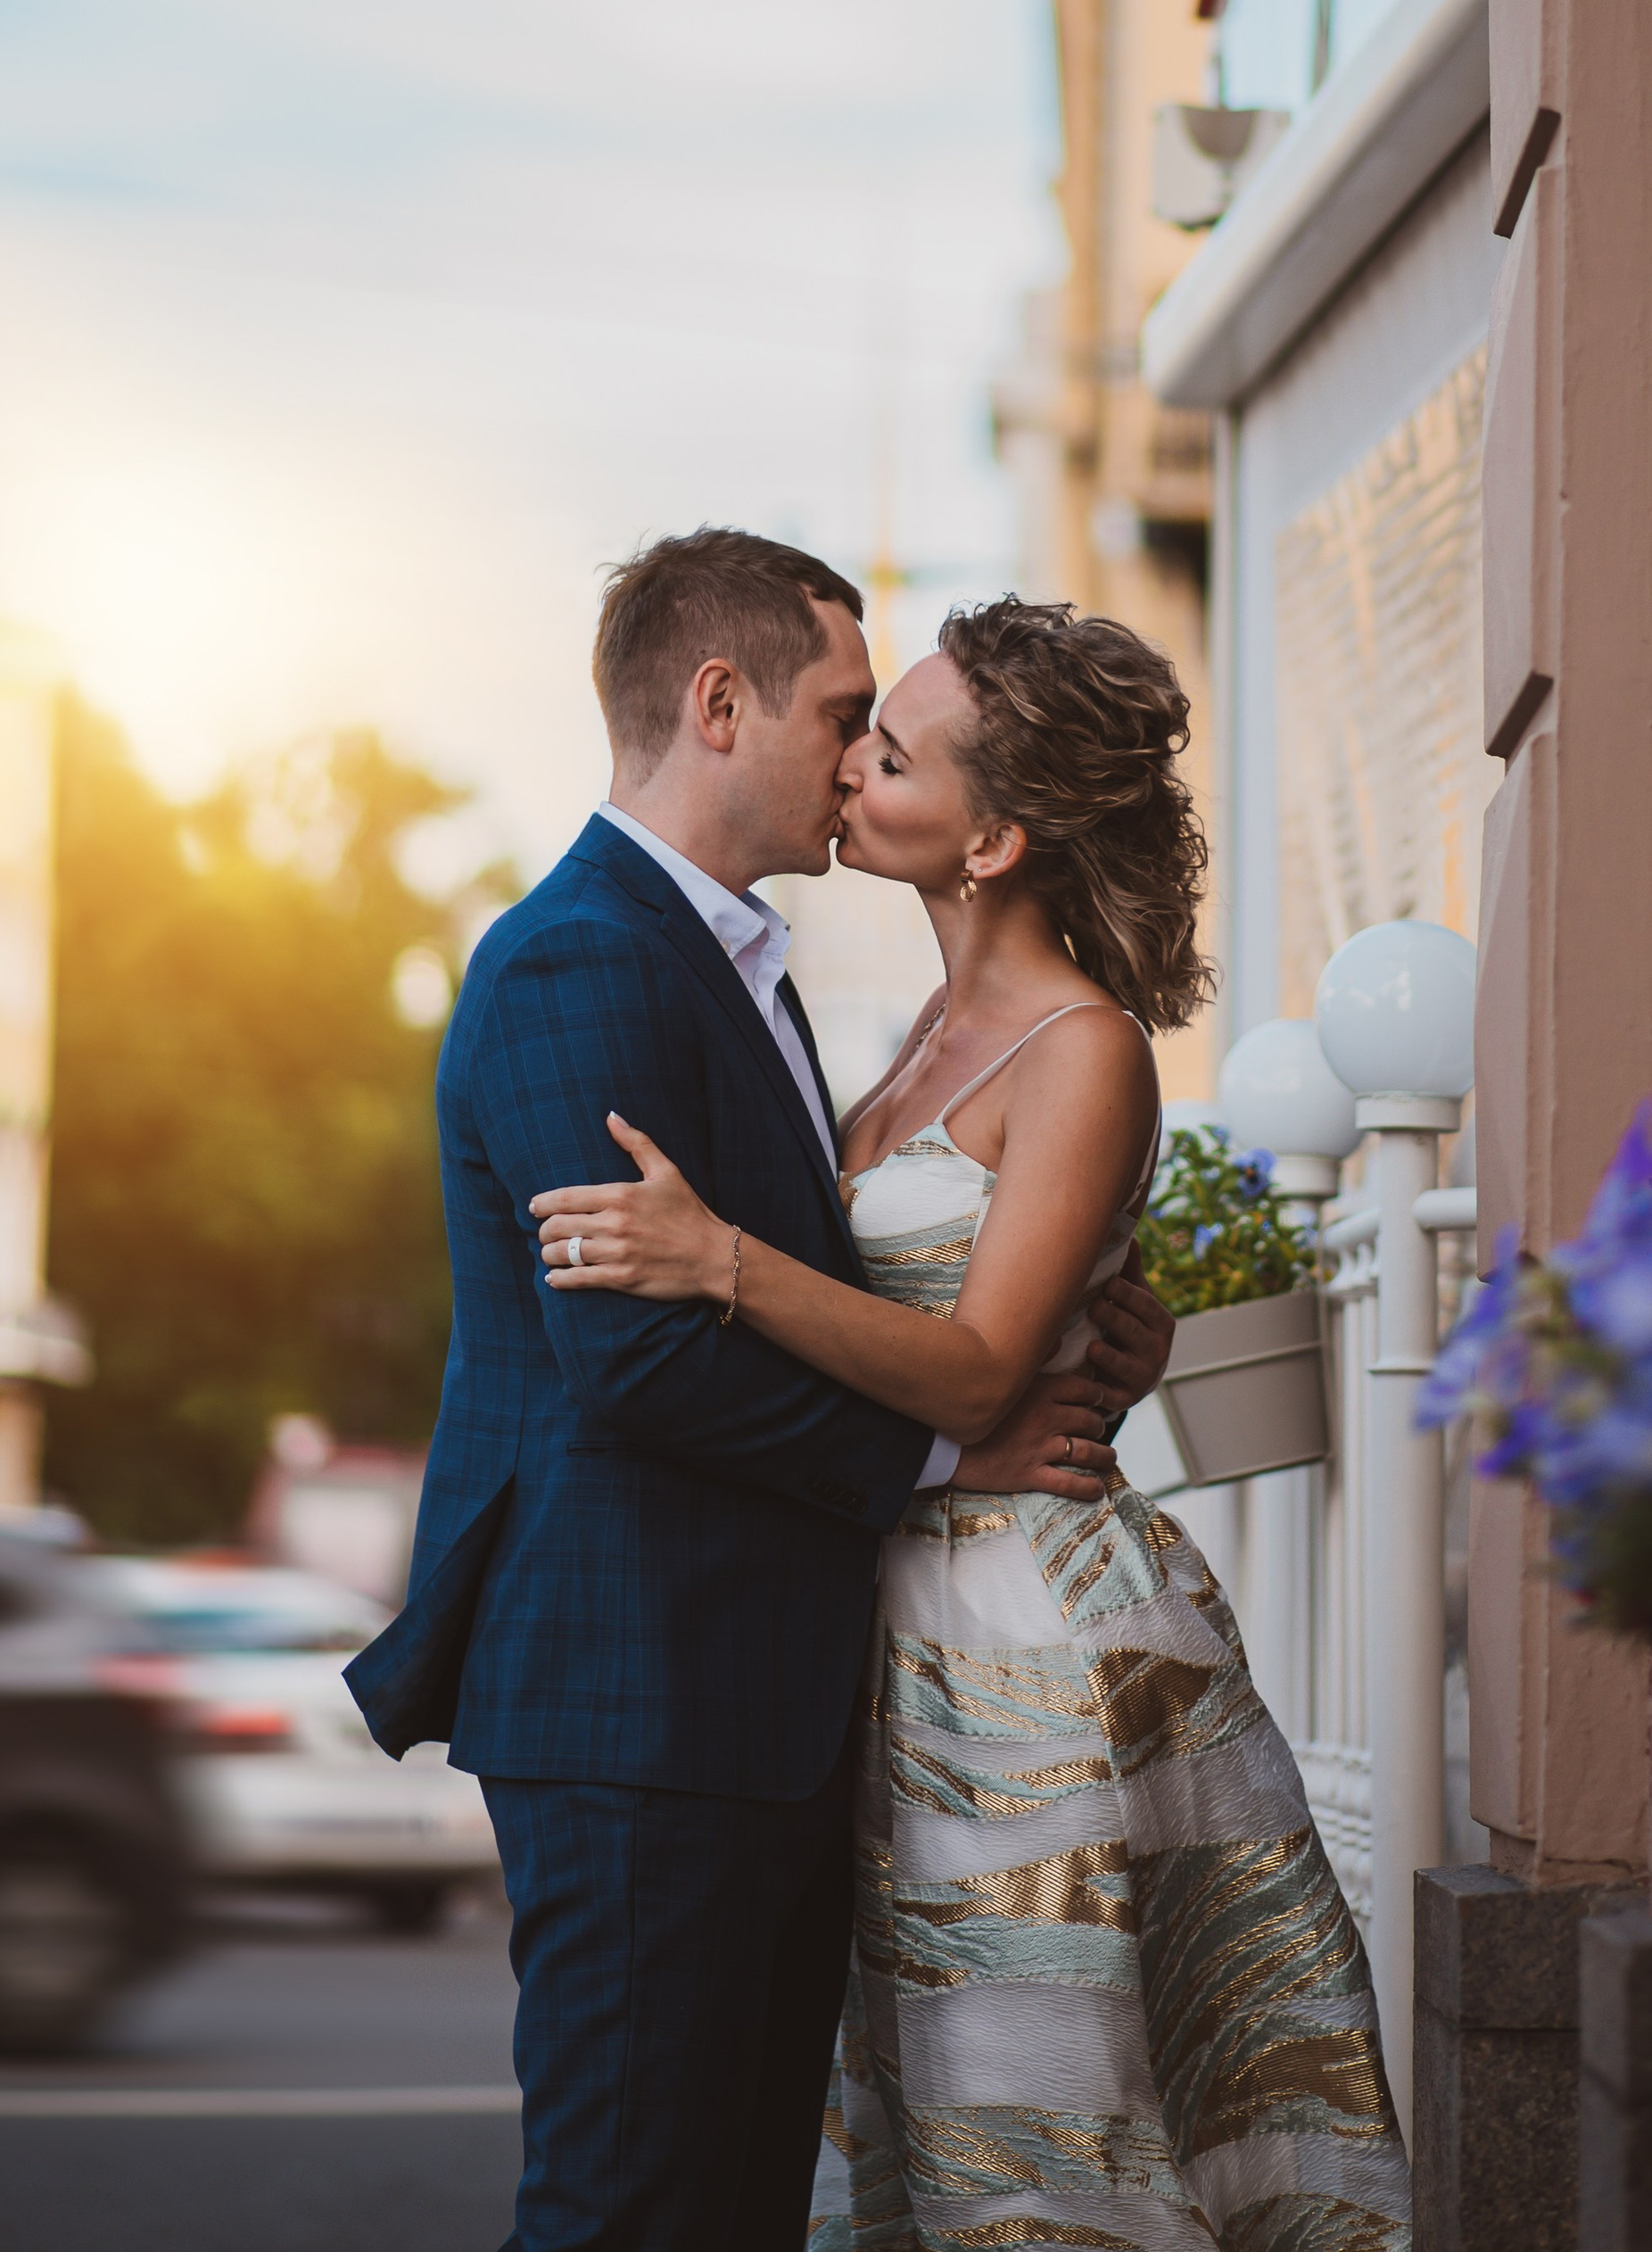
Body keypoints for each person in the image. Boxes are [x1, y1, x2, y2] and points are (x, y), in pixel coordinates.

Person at [532, 597, 1413, 2246]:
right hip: (893, 1622)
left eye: (892, 752)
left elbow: (981, 1372)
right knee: (921, 2129)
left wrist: (719, 1260)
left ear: (994, 839)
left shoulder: (1085, 1048)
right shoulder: (911, 1041)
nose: (849, 766)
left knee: (1043, 2140)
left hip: (1034, 1658)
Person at [343, 531, 1177, 2252]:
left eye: (886, 732)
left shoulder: (749, 967)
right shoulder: (584, 958)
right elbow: (637, 1358)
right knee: (627, 2209)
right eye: (843, 714)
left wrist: (1091, 1313)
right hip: (646, 1696)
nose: (856, 756)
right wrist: (949, 1450)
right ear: (721, 706)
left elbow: (862, 1278)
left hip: (782, 1705)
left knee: (731, 2212)